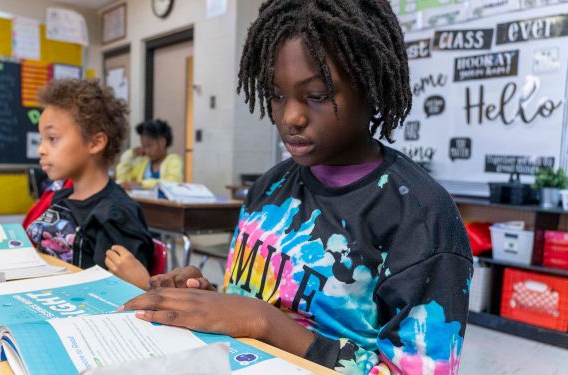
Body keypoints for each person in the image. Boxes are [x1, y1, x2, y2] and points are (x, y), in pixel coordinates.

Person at [117, 1, 473, 373]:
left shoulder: (421, 217)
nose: (291, 117)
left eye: (317, 95)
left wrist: (265, 322)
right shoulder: (269, 187)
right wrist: (209, 301)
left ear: (372, 89)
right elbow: (252, 302)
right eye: (276, 95)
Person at [26, 78, 155, 283]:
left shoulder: (115, 216)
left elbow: (116, 296)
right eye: (41, 139)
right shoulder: (63, 197)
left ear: (95, 143)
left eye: (52, 138)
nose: (40, 149)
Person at [116, 119, 183, 190]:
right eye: (143, 146)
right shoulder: (143, 163)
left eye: (149, 146)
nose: (146, 150)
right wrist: (130, 154)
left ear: (162, 142)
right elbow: (122, 178)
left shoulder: (173, 161)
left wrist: (141, 184)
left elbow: (171, 182)